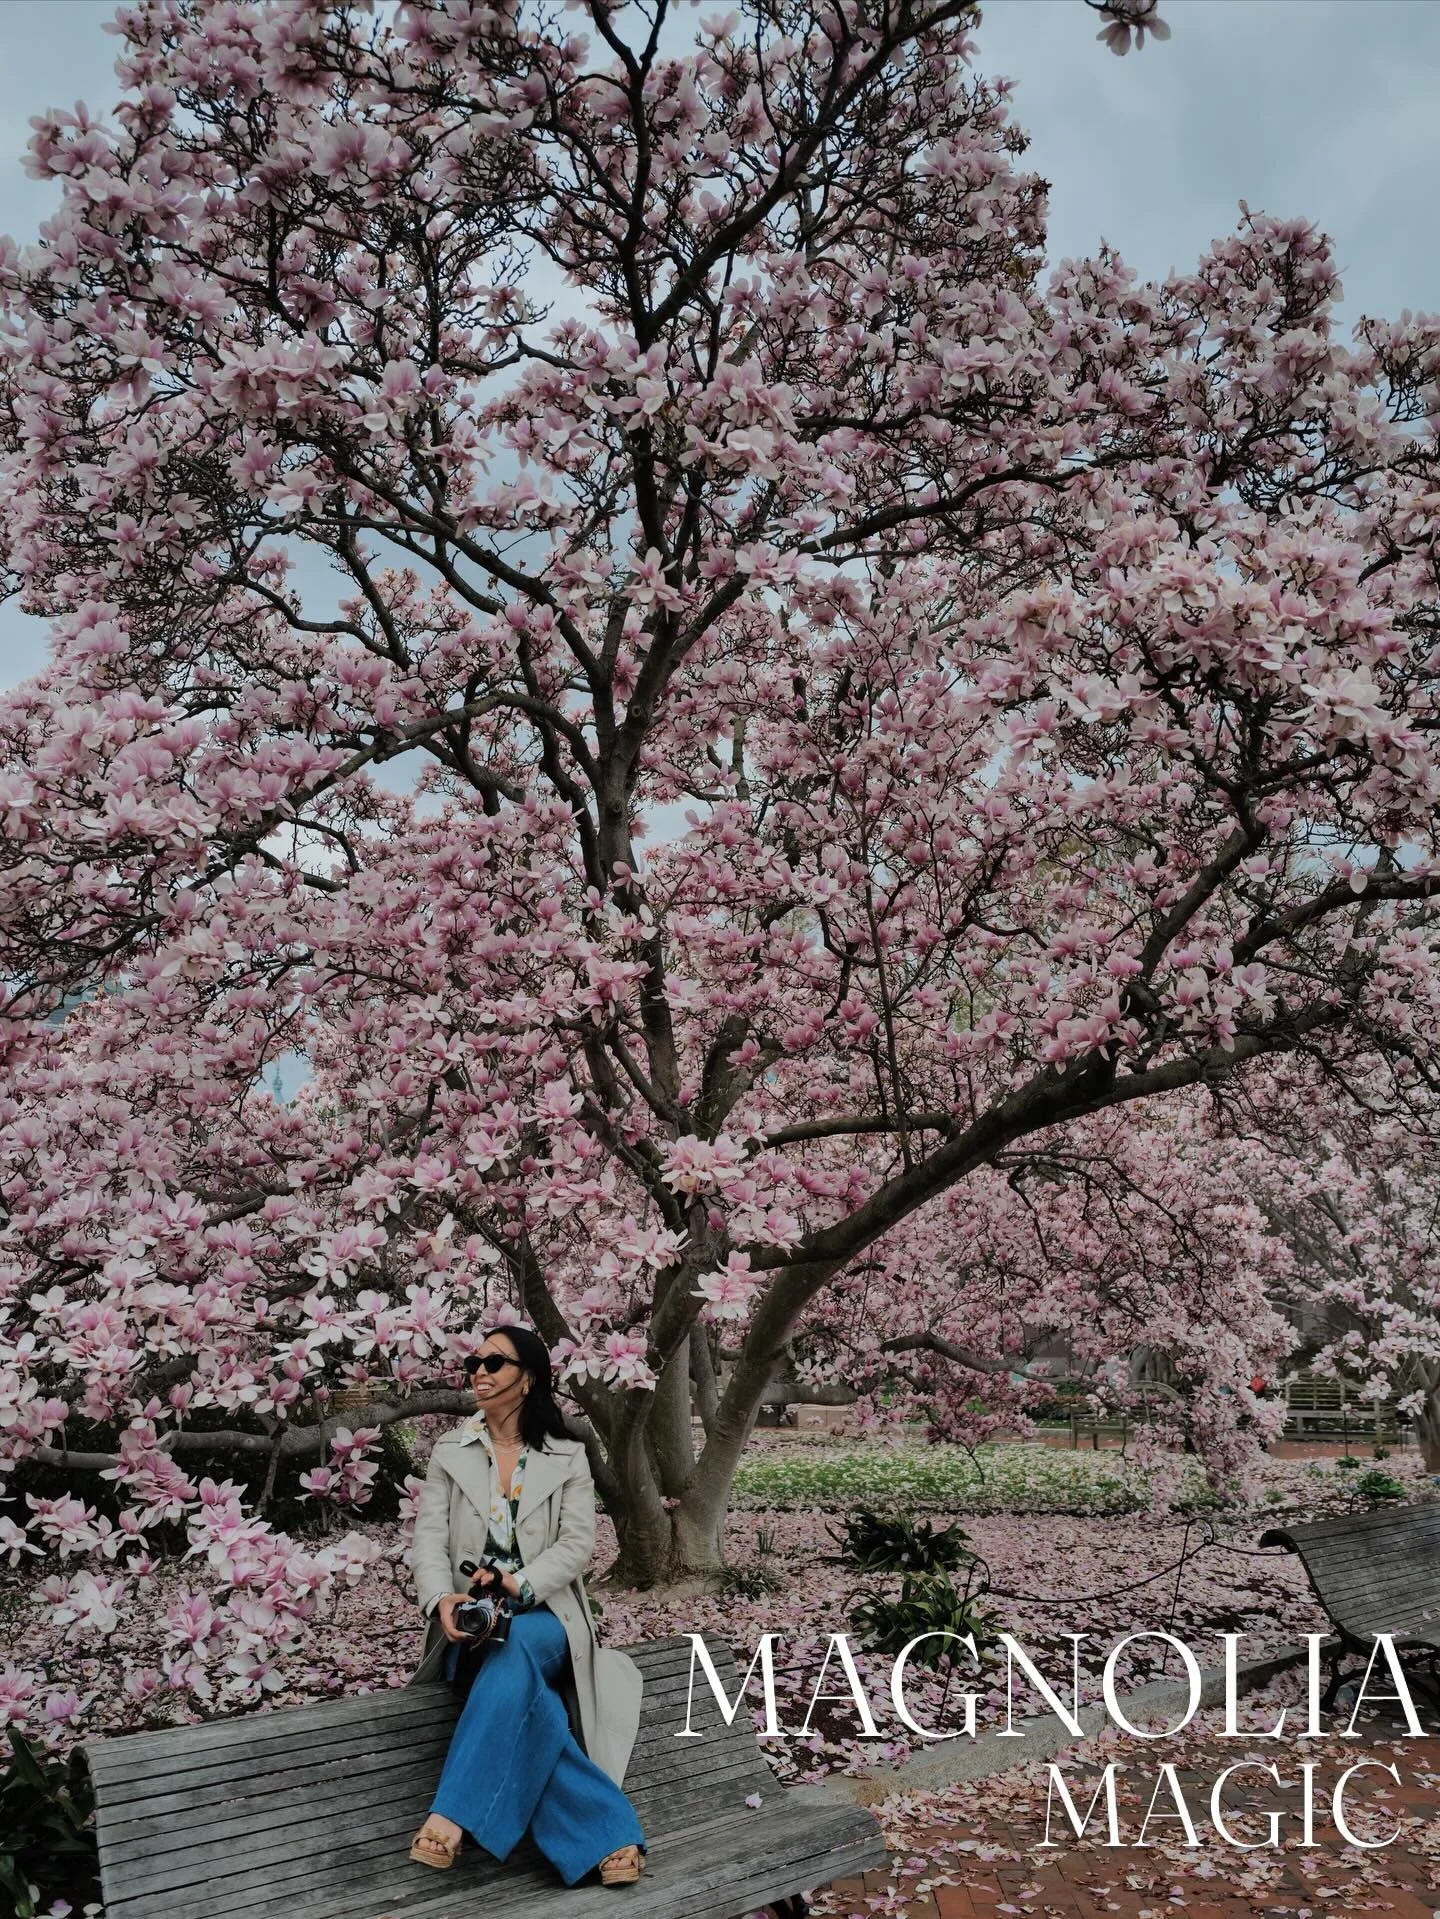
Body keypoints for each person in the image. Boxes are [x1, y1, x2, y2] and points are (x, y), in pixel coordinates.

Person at [406, 1323, 645, 1886]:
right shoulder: (451, 1451)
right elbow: (429, 1540)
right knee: (521, 1691)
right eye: (475, 1363)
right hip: (469, 1621)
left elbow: (577, 1543)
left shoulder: (567, 1456)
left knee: (514, 1654)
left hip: (545, 1617)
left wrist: (522, 1583)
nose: (479, 1373)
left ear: (528, 1378)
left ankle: (451, 1815)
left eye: (495, 1363)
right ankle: (608, 1833)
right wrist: (441, 1599)